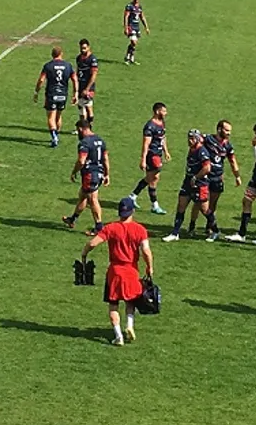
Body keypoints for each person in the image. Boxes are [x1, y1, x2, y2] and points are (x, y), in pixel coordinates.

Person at [81, 196, 154, 346]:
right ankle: (129, 325)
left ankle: (118, 335)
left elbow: (93, 243)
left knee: (113, 304)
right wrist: (149, 267)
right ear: (132, 211)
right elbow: (146, 251)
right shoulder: (140, 230)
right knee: (130, 301)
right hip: (132, 271)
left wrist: (84, 253)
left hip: (114, 272)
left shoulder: (111, 228)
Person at [188, 120, 241, 241]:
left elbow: (232, 161)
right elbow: (195, 142)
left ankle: (210, 228)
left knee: (212, 204)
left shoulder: (228, 146)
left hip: (217, 177)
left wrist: (237, 176)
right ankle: (192, 226)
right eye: (226, 130)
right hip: (205, 176)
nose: (229, 133)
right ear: (219, 129)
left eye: (230, 131)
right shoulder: (208, 139)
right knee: (199, 203)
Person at [162, 130, 217, 242]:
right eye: (189, 138)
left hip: (200, 184)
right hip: (187, 182)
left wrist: (196, 177)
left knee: (205, 209)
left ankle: (216, 231)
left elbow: (207, 168)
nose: (189, 140)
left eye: (192, 138)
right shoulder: (192, 149)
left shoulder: (202, 151)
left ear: (197, 139)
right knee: (181, 206)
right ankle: (175, 233)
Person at [63, 118, 110, 235]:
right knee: (82, 196)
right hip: (99, 173)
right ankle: (72, 219)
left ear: (80, 129)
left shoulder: (84, 143)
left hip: (90, 174)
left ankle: (99, 227)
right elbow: (105, 158)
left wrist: (74, 171)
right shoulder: (100, 140)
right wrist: (107, 174)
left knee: (92, 199)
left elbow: (81, 161)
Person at [129, 102, 170, 214]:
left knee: (153, 178)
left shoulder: (161, 123)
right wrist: (143, 159)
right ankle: (154, 204)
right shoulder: (150, 126)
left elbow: (163, 137)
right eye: (164, 111)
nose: (166, 113)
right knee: (153, 178)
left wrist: (166, 151)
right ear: (157, 111)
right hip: (152, 155)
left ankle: (133, 196)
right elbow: (146, 144)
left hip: (158, 153)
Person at [33, 47, 78, 148]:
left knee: (51, 117)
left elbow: (41, 80)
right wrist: (75, 93)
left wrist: (36, 91)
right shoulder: (68, 65)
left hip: (51, 94)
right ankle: (57, 135)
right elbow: (75, 79)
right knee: (59, 115)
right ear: (61, 54)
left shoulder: (48, 66)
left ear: (52, 55)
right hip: (63, 94)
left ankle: (54, 137)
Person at [75, 38, 99, 126]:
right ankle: (83, 126)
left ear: (89, 47)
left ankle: (88, 126)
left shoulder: (92, 59)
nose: (82, 50)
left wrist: (87, 89)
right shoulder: (78, 58)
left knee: (88, 107)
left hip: (88, 87)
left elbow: (93, 76)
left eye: (84, 48)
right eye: (81, 48)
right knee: (81, 106)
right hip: (80, 85)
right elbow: (77, 71)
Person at [123, 0, 151, 65]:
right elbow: (126, 17)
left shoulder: (139, 7)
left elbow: (142, 17)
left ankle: (130, 57)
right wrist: (126, 27)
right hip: (130, 26)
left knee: (134, 44)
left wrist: (146, 27)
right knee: (133, 42)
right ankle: (128, 56)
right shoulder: (129, 6)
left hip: (136, 27)